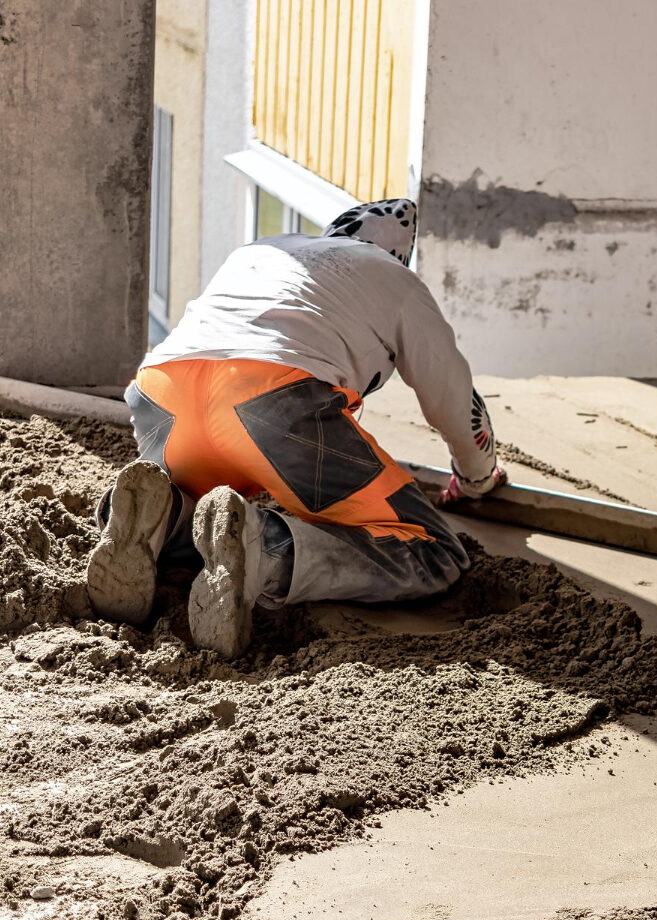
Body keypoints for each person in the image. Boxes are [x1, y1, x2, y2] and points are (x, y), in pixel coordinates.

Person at [86, 198, 505, 658]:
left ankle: (165, 518)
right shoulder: (396, 279)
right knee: (434, 551)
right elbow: (455, 400)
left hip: (161, 396)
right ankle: (265, 549)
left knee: (208, 493)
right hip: (272, 405)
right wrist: (475, 478)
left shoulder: (265, 249)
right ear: (399, 255)